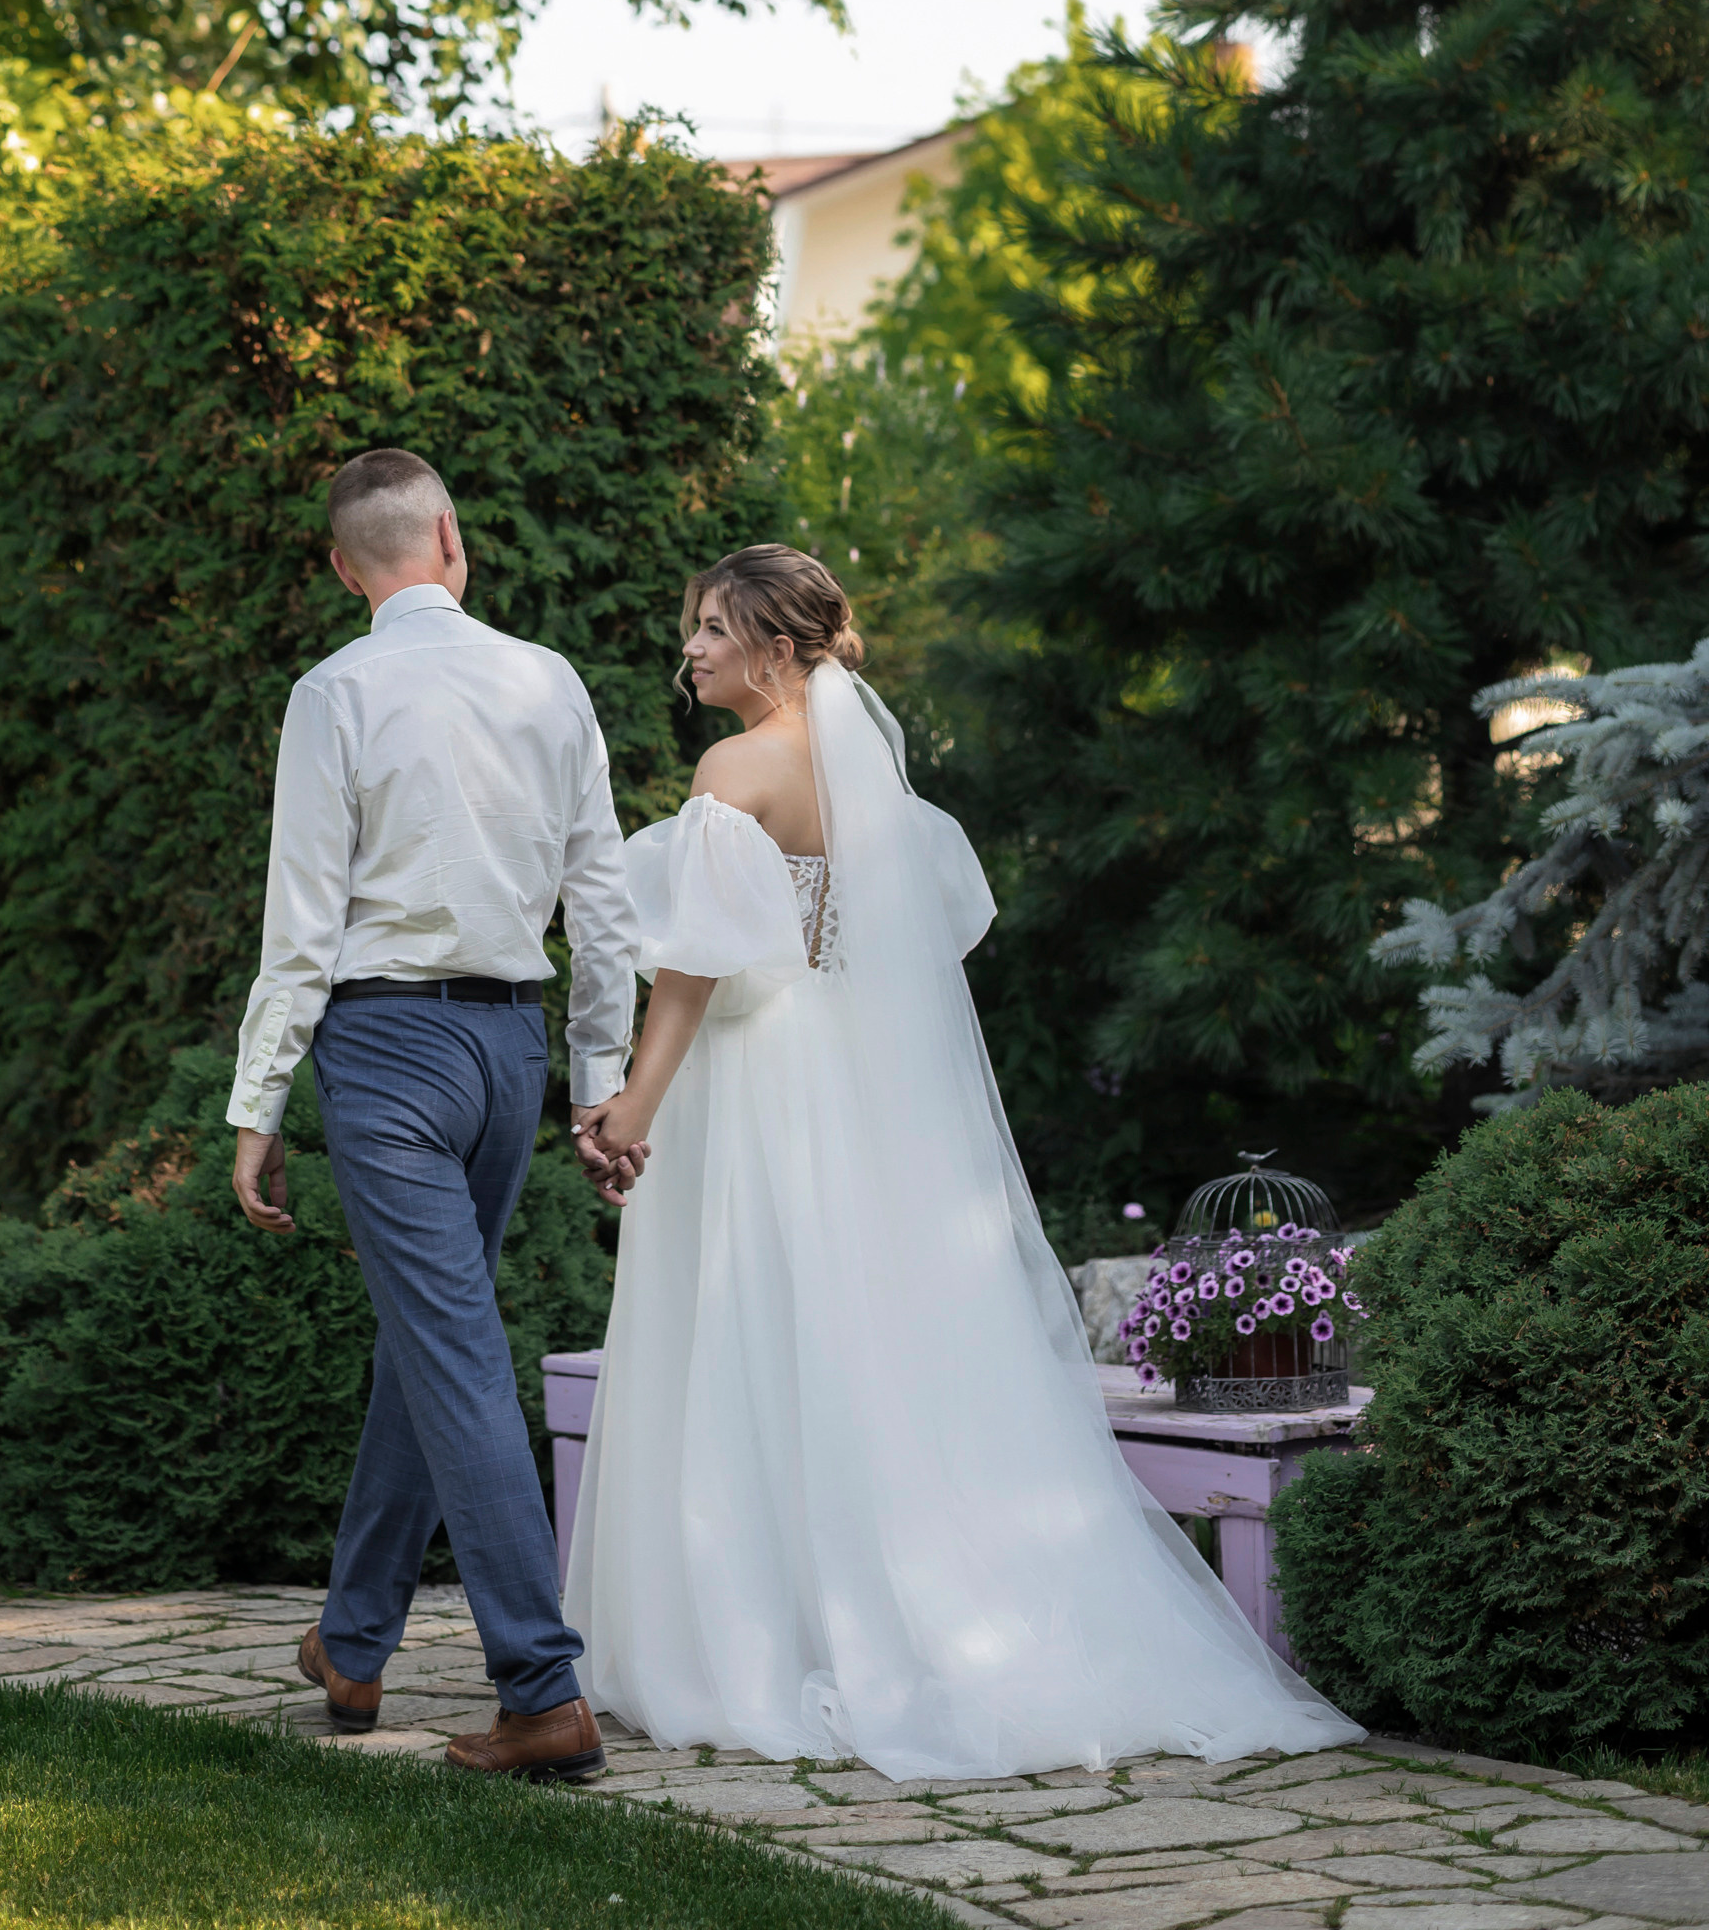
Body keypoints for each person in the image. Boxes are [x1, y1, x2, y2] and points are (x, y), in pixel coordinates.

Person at [566, 543, 1362, 1778]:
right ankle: (898, 1610)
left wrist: (628, 1106)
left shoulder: (734, 767)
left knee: (757, 1329)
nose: (693, 651)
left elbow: (694, 967)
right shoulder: (870, 783)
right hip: (854, 1090)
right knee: (859, 1339)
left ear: (777, 650)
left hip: (757, 1089)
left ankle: (763, 1634)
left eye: (713, 628)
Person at [227, 448, 638, 1781]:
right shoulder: (552, 681)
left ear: (346, 568)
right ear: (451, 540)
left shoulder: (332, 692)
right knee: (432, 1337)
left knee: (451, 1347)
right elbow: (606, 906)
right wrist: (598, 1083)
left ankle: (541, 1688)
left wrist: (258, 1098)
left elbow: (303, 917)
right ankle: (353, 1644)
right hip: (512, 1047)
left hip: (390, 1048)